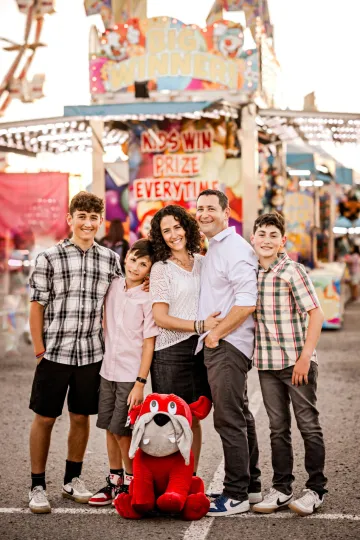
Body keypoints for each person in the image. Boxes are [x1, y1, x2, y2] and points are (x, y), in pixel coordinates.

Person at [28, 191, 122, 514]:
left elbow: (118, 304)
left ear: (100, 221)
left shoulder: (111, 261)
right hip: (55, 352)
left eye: (93, 217)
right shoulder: (49, 258)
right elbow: (37, 306)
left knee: (80, 417)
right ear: (70, 219)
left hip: (91, 354)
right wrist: (41, 350)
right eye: (81, 216)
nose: (87, 222)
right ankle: (37, 485)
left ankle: (72, 480)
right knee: (45, 417)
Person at [250, 212, 327, 516]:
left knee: (308, 425)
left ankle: (316, 489)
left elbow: (316, 314)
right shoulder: (250, 273)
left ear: (282, 241)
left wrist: (305, 357)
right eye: (261, 234)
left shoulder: (292, 271)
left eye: (273, 235)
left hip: (297, 362)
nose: (266, 240)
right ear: (252, 239)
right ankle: (282, 487)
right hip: (267, 364)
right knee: (277, 428)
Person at [195, 189, 261, 517]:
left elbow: (247, 301)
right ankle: (251, 485)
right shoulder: (217, 248)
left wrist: (216, 335)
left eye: (210, 208)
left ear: (226, 211)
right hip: (224, 343)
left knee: (229, 417)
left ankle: (236, 494)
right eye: (199, 208)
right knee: (241, 414)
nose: (203, 213)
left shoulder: (234, 248)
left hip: (228, 345)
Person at [149, 205, 221, 474]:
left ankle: (189, 478)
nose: (173, 234)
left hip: (202, 348)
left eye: (177, 227)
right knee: (170, 420)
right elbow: (160, 317)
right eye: (166, 230)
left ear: (187, 228)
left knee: (193, 418)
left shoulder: (203, 261)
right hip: (170, 351)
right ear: (160, 236)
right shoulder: (161, 269)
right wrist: (198, 325)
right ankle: (167, 481)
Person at [88, 239, 158, 506]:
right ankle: (114, 480)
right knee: (108, 426)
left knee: (122, 431)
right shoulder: (113, 285)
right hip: (108, 370)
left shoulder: (148, 297)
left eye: (143, 265)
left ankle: (132, 481)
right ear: (125, 257)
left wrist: (141, 382)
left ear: (149, 271)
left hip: (131, 375)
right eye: (133, 260)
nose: (136, 267)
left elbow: (149, 343)